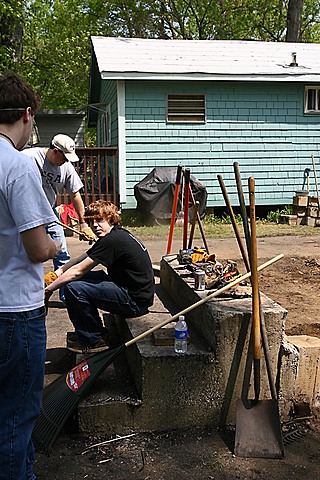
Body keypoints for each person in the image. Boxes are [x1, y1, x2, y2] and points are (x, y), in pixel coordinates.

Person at [0, 73, 62, 480]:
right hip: (15, 313)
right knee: (17, 417)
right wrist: (56, 244)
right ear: (26, 114)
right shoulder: (18, 167)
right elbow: (39, 248)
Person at [45, 200, 155, 354]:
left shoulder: (113, 240)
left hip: (134, 302)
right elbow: (79, 260)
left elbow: (78, 270)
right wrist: (54, 275)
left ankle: (94, 339)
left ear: (111, 219)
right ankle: (89, 332)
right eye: (90, 221)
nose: (94, 225)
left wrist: (48, 290)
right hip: (128, 289)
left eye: (99, 220)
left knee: (74, 288)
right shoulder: (116, 234)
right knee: (76, 280)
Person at [22, 134, 95, 302]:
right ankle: (30, 296)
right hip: (26, 214)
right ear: (55, 151)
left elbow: (75, 195)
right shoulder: (29, 157)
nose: (66, 161)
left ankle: (65, 295)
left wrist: (83, 223)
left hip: (50, 214)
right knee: (30, 254)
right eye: (64, 157)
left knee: (61, 253)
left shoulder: (67, 168)